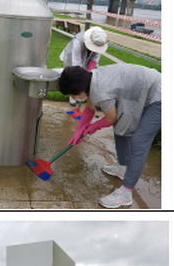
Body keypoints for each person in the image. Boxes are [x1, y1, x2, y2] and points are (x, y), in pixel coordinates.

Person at [58, 63, 161, 209]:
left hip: (160, 96)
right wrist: (78, 131)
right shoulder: (90, 79)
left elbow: (111, 118)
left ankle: (125, 194)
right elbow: (89, 107)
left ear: (81, 89)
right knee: (122, 126)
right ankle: (123, 167)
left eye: (73, 95)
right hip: (140, 85)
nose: (73, 98)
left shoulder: (101, 93)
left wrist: (93, 127)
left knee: (139, 142)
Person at [59, 26, 108, 106]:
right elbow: (75, 63)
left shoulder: (100, 42)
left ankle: (85, 97)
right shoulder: (78, 42)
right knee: (73, 77)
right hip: (71, 58)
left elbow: (95, 57)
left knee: (91, 78)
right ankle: (73, 96)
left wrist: (89, 70)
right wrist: (81, 78)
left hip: (87, 60)